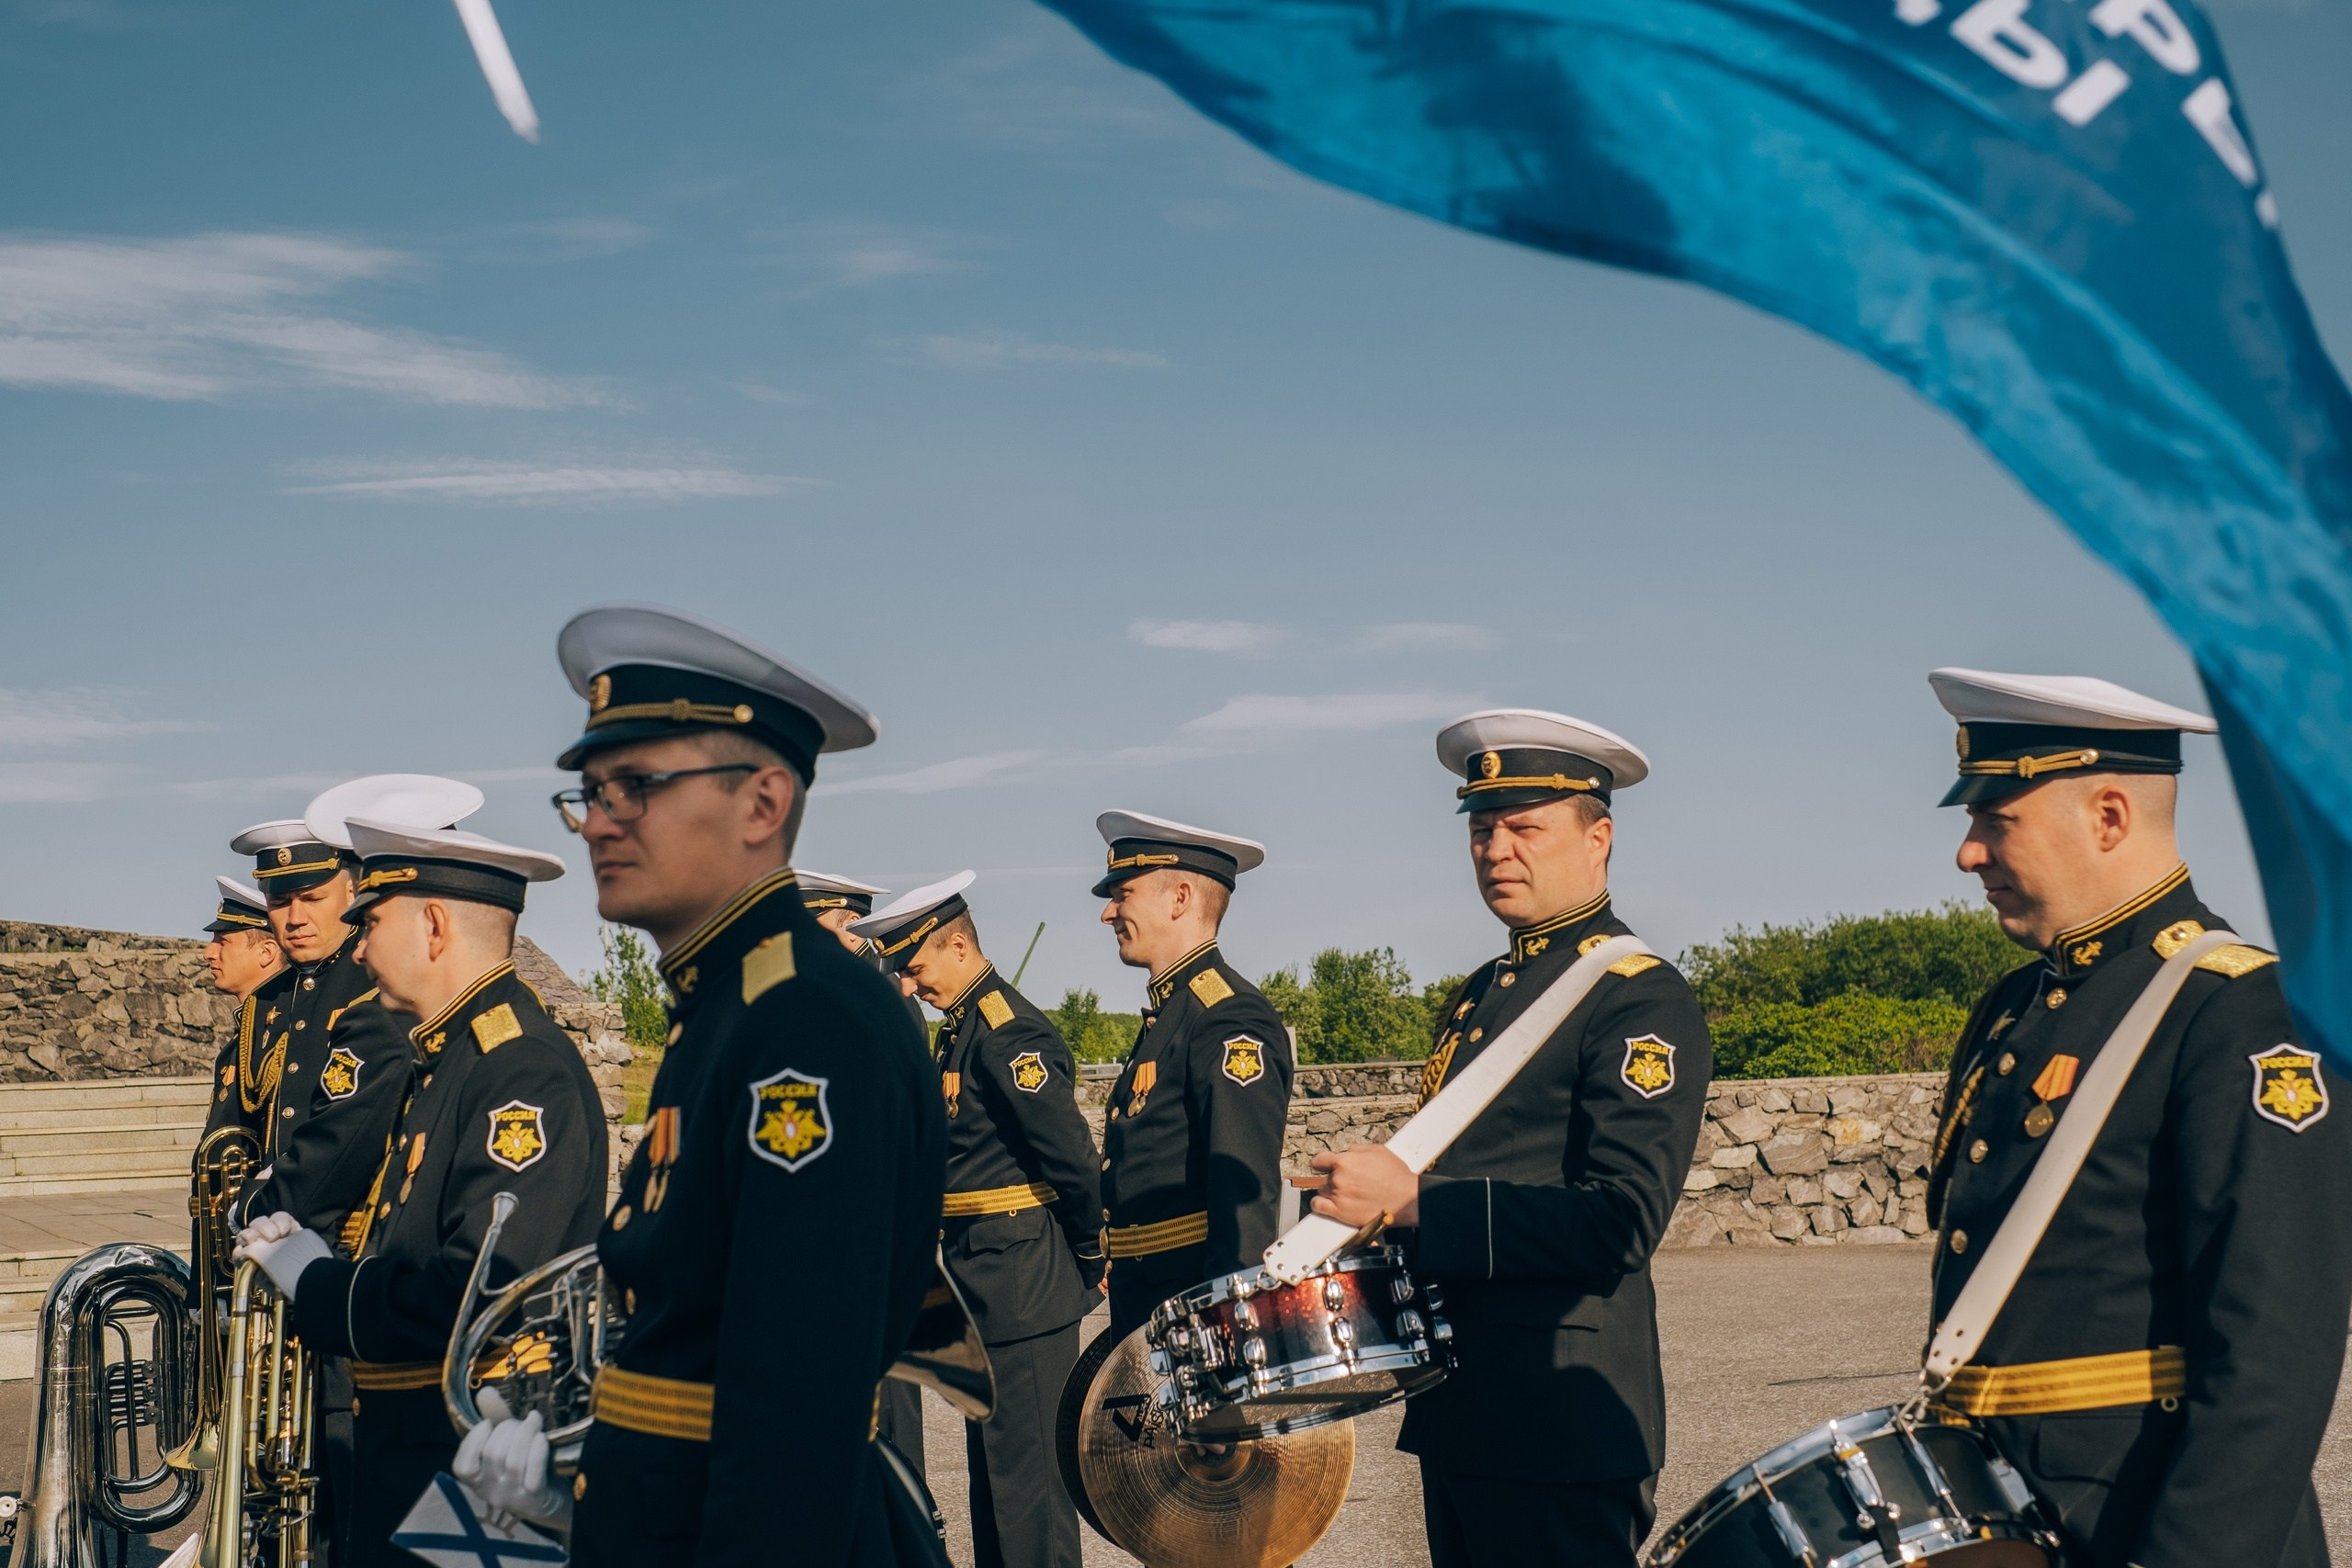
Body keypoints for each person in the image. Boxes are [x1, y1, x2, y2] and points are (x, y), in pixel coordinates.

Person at [469, 604, 947, 1566]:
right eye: (591, 792)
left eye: (634, 786)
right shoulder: (728, 1003)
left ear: (762, 805)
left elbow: (789, 1408)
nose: (597, 822)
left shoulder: (802, 1019)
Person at [1917, 668, 2352, 1568]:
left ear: (2108, 816)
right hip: (2017, 1521)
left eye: (1995, 820)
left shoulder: (2238, 1009)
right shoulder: (2014, 1006)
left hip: (2153, 1521)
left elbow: (2274, 1354)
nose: (1967, 853)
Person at [1312, 709, 1711, 1568]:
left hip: (1559, 1421)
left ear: (1598, 837)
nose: (1497, 849)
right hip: (1466, 1404)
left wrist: (1417, 1202)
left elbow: (1621, 1221)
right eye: (1483, 827)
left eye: (1525, 827)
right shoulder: (1481, 991)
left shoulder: (1637, 997)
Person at [232, 818, 605, 1568]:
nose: (358, 947)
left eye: (370, 921)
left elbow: (473, 1292)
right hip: (421, 1441)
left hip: (472, 1454)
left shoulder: (517, 1068)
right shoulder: (451, 1054)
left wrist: (319, 1282)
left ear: (433, 924)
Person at [854, 873, 1102, 1568]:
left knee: (1033, 1504)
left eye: (915, 966)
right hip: (984, 1283)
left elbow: (1074, 1160)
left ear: (958, 944)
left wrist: (1090, 1254)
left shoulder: (1007, 1032)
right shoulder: (960, 1033)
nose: (906, 985)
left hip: (1024, 1284)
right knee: (996, 1490)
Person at [1091, 809, 1291, 1338]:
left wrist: (1230, 1327)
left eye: (1122, 894)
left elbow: (1243, 1198)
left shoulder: (1226, 1015)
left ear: (1179, 898)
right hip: (1151, 1302)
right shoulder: (1176, 1012)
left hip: (1191, 1314)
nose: (1107, 914)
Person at [802, 868, 929, 1474]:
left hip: (874, 1229)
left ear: (848, 922)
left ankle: (909, 1510)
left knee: (888, 1408)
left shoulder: (884, 998)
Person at [198, 875, 291, 1145]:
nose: (208, 952)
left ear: (267, 952)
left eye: (223, 941)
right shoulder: (245, 1039)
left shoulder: (283, 1033)